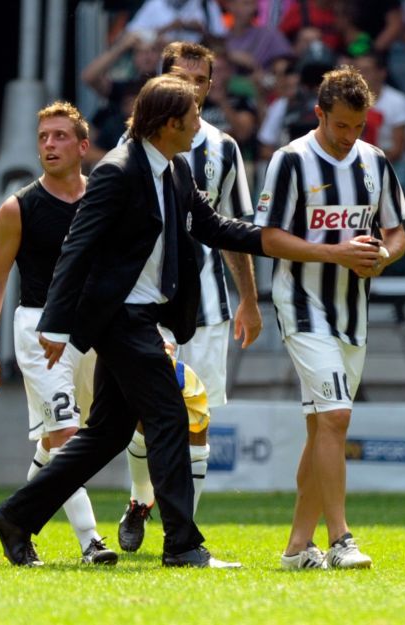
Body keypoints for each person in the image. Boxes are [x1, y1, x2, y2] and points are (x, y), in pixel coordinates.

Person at [0, 74, 385, 569]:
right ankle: (183, 546)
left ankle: (15, 517)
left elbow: (214, 227)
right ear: (169, 123)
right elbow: (76, 248)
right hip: (120, 318)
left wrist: (277, 239)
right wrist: (58, 326)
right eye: (194, 116)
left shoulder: (175, 170)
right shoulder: (117, 171)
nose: (201, 125)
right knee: (170, 416)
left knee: (107, 433)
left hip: (146, 315)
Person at [254, 66, 405, 570]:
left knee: (324, 426)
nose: (349, 137)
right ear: (319, 114)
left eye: (358, 127)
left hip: (351, 311)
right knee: (338, 417)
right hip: (301, 304)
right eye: (341, 125)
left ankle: (298, 548)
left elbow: (397, 232)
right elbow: (269, 237)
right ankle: (341, 538)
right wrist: (337, 253)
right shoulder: (291, 160)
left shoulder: (375, 162)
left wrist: (381, 257)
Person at [115, 41, 262, 552]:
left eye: (201, 81)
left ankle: (184, 540)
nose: (194, 89)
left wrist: (249, 299)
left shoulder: (223, 149)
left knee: (198, 419)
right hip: (149, 304)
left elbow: (230, 230)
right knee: (145, 416)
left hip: (208, 308)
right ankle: (140, 499)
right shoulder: (133, 145)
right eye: (183, 77)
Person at [0, 101, 117, 566]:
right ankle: (91, 541)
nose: (50, 145)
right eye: (43, 138)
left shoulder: (104, 199)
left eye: (59, 136)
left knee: (55, 444)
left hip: (94, 331)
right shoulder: (18, 208)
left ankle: (14, 522)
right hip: (38, 328)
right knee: (67, 436)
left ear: (83, 145)